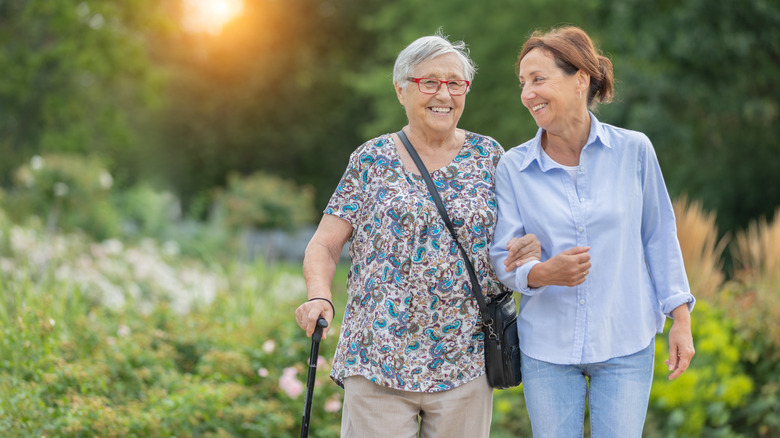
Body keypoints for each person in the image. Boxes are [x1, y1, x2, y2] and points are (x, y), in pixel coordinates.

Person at [294, 32, 539, 438]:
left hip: (466, 359)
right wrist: (319, 293)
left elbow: (519, 235)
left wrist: (527, 246)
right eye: (429, 82)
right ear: (402, 90)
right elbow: (324, 243)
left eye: (455, 83)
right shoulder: (372, 159)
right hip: (377, 357)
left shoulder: (490, 156)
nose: (444, 94)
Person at [489, 26, 696, 437]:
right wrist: (542, 273)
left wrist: (681, 318)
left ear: (580, 79)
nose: (527, 93)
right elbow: (503, 255)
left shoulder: (634, 150)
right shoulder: (513, 167)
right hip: (547, 346)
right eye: (523, 83)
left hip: (624, 338)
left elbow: (658, 236)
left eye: (538, 79)